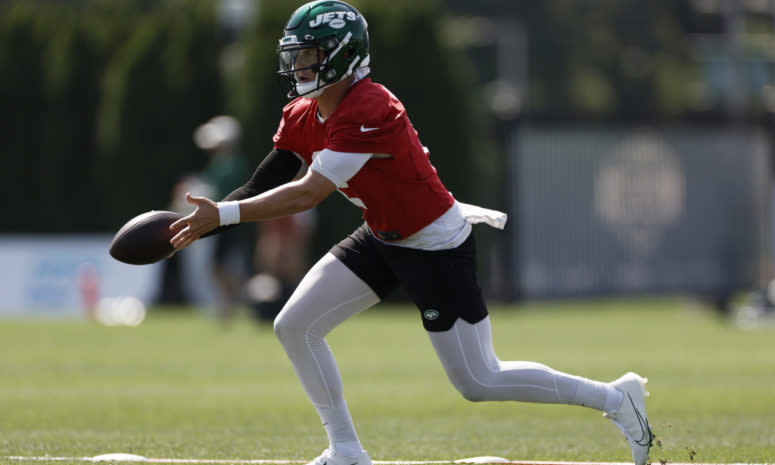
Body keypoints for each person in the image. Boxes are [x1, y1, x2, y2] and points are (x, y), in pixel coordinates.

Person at [168, 2, 654, 465]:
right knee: (294, 324)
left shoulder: (369, 107)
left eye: (310, 55)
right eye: (295, 55)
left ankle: (616, 397)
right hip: (381, 235)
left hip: (434, 244)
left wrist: (227, 217)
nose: (298, 66)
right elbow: (265, 181)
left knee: (479, 379)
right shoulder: (303, 111)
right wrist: (211, 215)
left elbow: (305, 194)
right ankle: (346, 451)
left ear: (342, 55)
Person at [193, 115, 250, 321]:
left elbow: (224, 193)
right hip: (224, 221)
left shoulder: (231, 164)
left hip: (228, 221)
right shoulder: (221, 162)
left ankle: (232, 305)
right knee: (220, 266)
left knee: (222, 266)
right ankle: (229, 305)